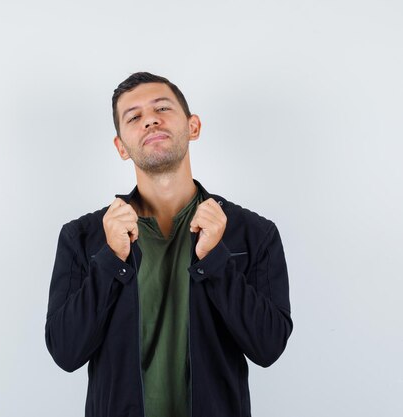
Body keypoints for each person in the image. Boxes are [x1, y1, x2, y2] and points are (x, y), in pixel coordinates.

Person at [45, 72, 292, 417]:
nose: (150, 120)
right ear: (121, 146)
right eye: (134, 117)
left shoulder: (252, 233)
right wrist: (110, 260)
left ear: (193, 127)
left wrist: (216, 260)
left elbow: (268, 346)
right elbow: (66, 351)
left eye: (162, 108)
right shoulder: (84, 237)